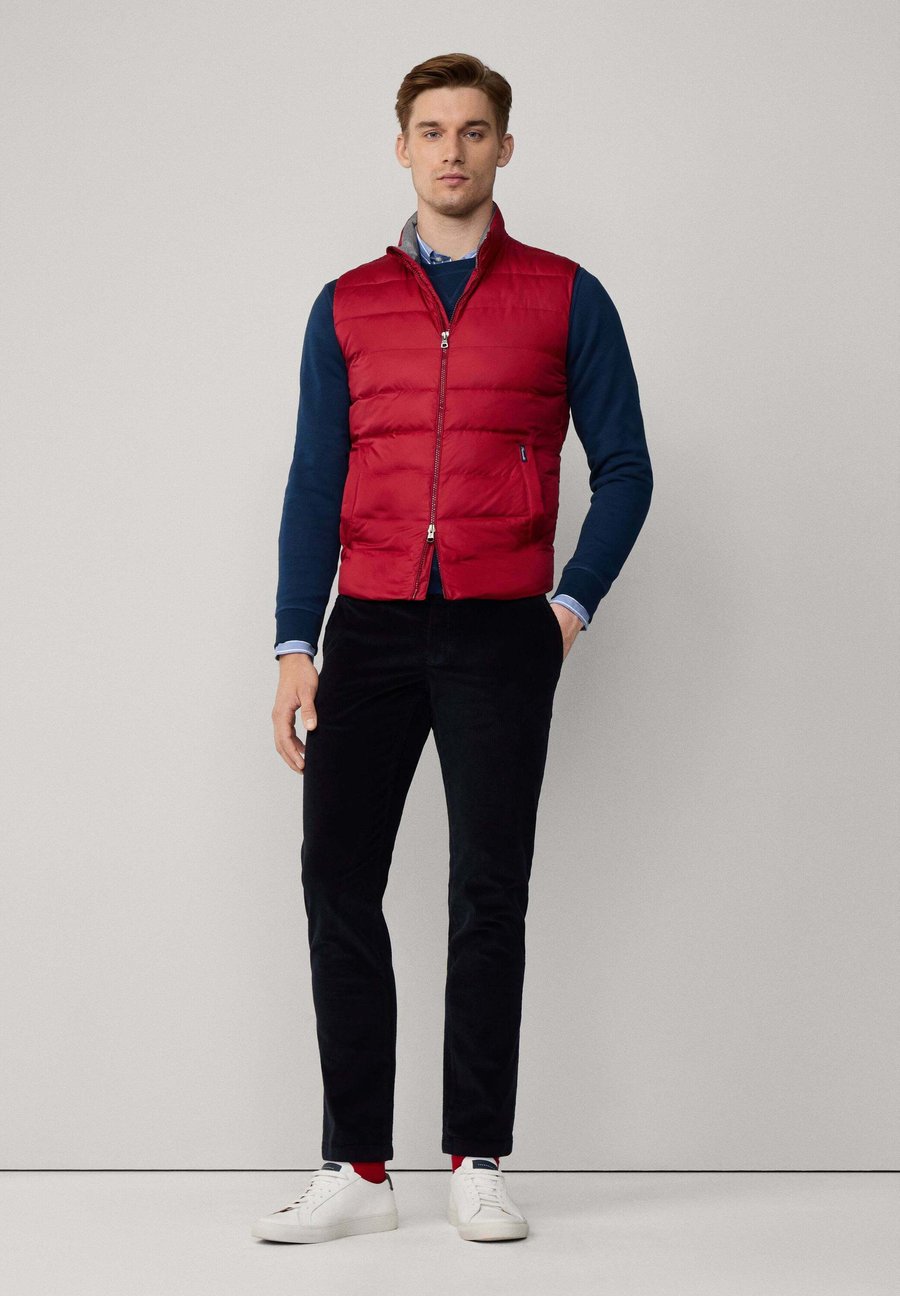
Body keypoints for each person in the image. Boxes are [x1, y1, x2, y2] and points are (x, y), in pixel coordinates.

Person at [252, 51, 653, 1246]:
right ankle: (358, 1168)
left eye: (474, 131)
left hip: (500, 626)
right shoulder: (346, 305)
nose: (452, 151)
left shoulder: (567, 296)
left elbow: (626, 470)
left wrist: (567, 607)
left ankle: (478, 1158)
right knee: (337, 880)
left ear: (503, 149)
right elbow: (314, 480)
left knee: (487, 891)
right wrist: (293, 641)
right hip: (369, 624)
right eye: (432, 131)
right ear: (403, 148)